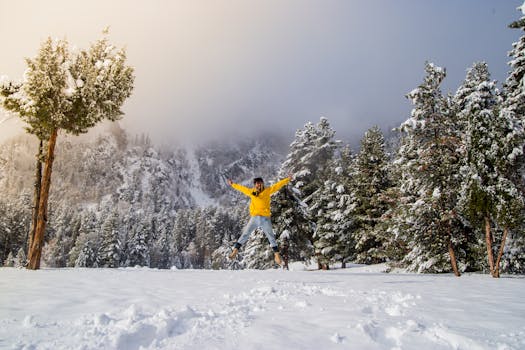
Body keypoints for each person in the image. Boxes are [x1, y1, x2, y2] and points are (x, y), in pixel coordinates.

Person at [227, 175, 291, 265]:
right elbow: (242, 188)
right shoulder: (251, 192)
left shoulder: (267, 191)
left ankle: (277, 255)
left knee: (271, 237)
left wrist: (287, 179)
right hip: (254, 218)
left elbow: (277, 185)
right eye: (256, 184)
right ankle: (235, 251)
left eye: (260, 183)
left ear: (262, 184)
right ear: (254, 185)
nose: (258, 185)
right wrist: (233, 184)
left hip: (265, 218)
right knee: (245, 234)